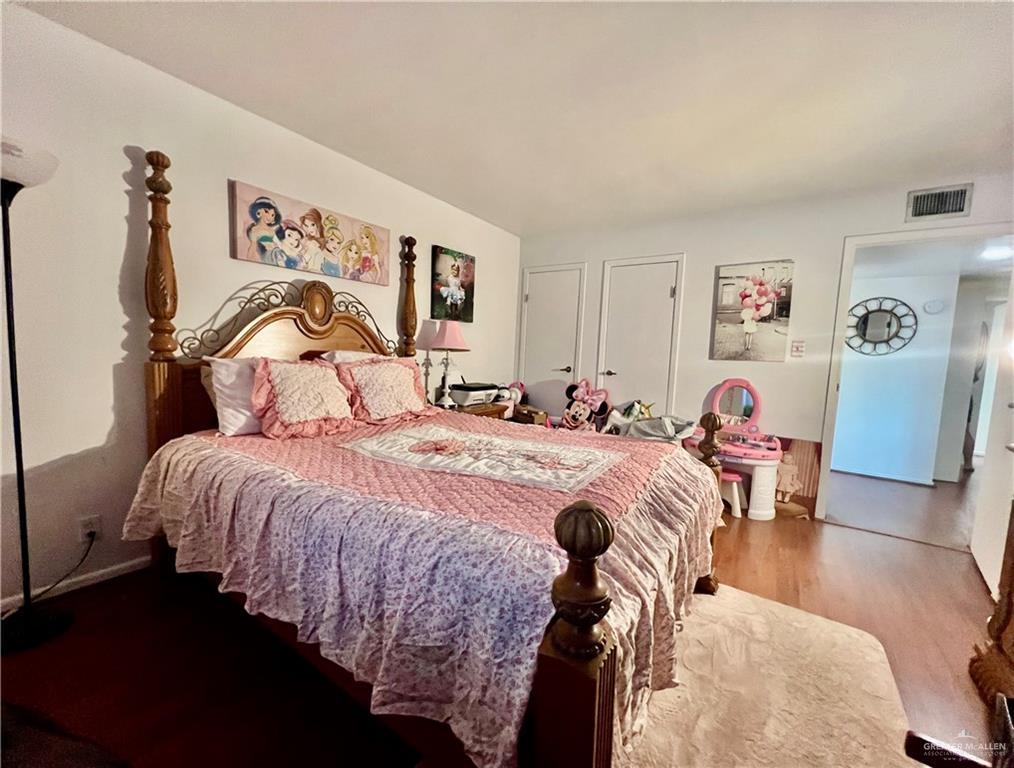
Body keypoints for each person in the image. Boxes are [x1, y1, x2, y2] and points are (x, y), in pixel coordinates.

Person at [245, 196, 282, 263]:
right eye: (266, 211)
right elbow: (253, 247)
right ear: (258, 211)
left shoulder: (271, 230)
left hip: (276, 254)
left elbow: (278, 244)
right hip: (267, 256)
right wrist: (248, 259)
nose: (269, 216)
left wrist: (275, 246)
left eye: (272, 215)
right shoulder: (255, 230)